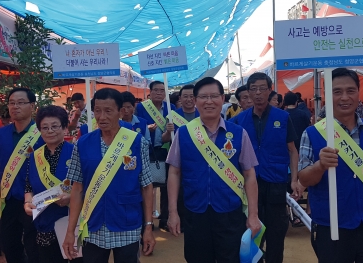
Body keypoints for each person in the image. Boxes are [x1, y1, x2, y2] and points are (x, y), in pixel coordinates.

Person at [298, 68, 363, 263]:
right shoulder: (313, 133)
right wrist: (320, 166)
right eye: (337, 92)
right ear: (327, 95)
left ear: (358, 92)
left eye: (350, 91)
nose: (344, 97)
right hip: (331, 227)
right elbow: (304, 179)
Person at [166, 77, 262, 263]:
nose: (209, 101)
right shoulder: (183, 134)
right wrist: (172, 212)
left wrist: (253, 214)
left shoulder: (238, 133)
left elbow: (249, 175)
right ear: (195, 100)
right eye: (203, 97)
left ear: (223, 99)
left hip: (230, 213)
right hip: (195, 212)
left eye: (214, 96)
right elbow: (174, 172)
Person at [62, 88, 155, 262]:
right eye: (97, 111)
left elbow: (147, 186)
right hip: (93, 225)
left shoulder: (136, 142)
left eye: (108, 111)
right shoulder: (82, 143)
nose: (102, 117)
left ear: (121, 112)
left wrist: (148, 227)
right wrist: (70, 231)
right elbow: (77, 189)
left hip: (127, 223)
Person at [231, 72, 302, 263]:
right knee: (250, 233)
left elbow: (292, 150)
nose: (258, 93)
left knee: (276, 234)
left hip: (276, 182)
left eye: (262, 88)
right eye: (253, 89)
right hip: (249, 184)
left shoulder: (283, 117)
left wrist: (294, 179)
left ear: (270, 90)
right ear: (248, 92)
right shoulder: (239, 120)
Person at [0, 88, 44, 263]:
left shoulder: (42, 133)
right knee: (9, 245)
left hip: (34, 200)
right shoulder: (1, 134)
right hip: (8, 199)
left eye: (21, 103)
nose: (15, 107)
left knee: (34, 247)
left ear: (32, 106)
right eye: (12, 103)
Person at [23, 105, 80, 262]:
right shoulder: (35, 156)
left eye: (55, 126)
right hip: (44, 222)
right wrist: (28, 202)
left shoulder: (77, 152)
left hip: (70, 221)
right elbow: (28, 184)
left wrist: (70, 197)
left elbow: (86, 185)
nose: (50, 131)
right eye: (45, 127)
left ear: (64, 127)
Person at [135, 81, 176, 230]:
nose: (159, 93)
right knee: (146, 185)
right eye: (156, 90)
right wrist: (146, 129)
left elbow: (171, 135)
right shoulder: (141, 107)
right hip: (147, 150)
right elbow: (137, 126)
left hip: (165, 149)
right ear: (150, 92)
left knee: (166, 186)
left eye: (162, 91)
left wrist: (169, 131)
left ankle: (165, 218)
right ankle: (147, 221)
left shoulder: (171, 108)